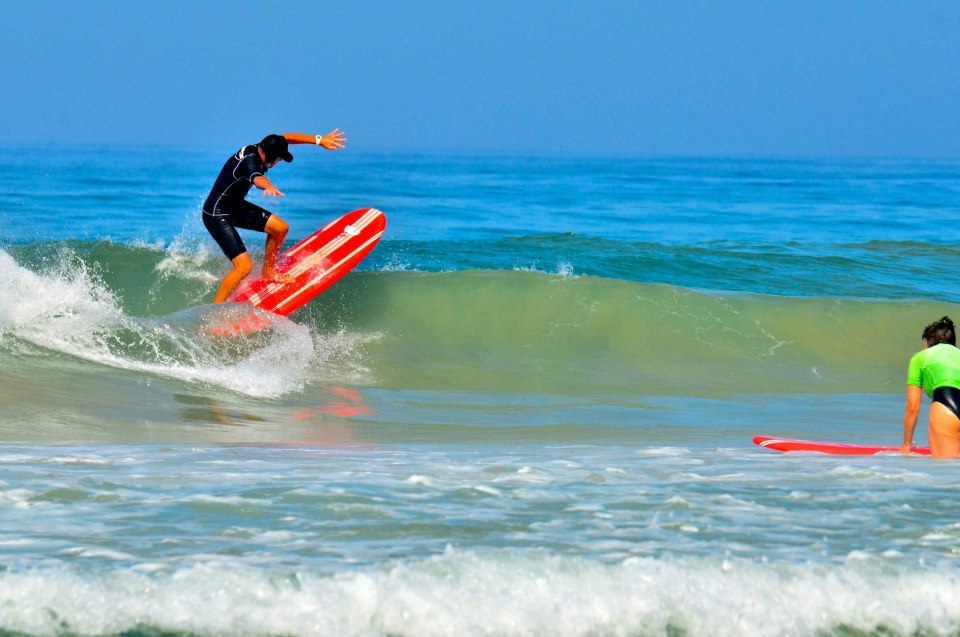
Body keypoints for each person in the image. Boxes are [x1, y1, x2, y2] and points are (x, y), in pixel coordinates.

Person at [202, 130, 346, 303]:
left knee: (280, 228)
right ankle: (214, 310)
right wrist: (268, 185)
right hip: (216, 214)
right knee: (244, 267)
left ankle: (269, 272)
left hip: (233, 206)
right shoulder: (250, 163)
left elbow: (287, 137)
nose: (280, 162)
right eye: (280, 159)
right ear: (272, 157)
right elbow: (257, 179)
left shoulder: (264, 146)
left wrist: (319, 140)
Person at [901, 316, 960, 458]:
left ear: (927, 342)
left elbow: (913, 406)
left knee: (947, 471)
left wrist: (906, 444)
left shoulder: (920, 357)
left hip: (947, 408)